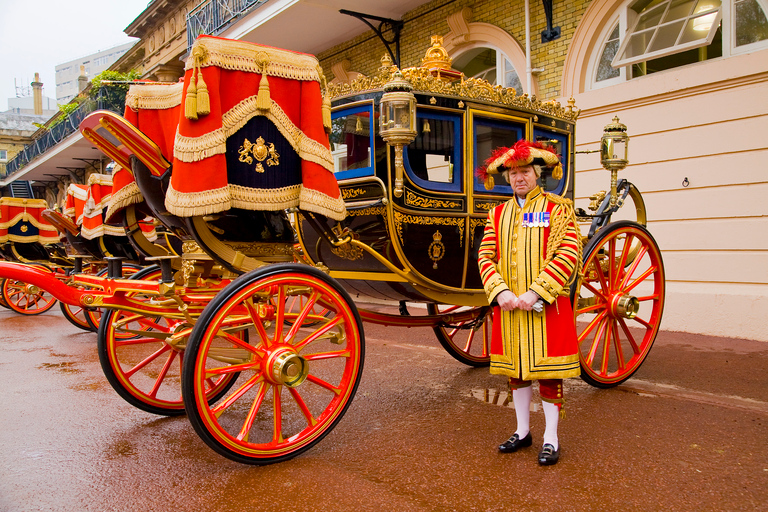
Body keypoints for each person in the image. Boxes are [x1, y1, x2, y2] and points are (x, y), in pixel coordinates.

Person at [476, 139, 581, 466]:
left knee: (549, 374)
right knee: (517, 372)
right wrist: (501, 291)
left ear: (537, 174)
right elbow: (485, 255)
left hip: (545, 306)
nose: (519, 178)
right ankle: (523, 432)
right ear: (507, 178)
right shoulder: (497, 214)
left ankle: (551, 437)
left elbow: (569, 253)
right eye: (513, 173)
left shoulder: (558, 209)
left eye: (525, 171)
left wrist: (536, 291)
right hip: (509, 308)